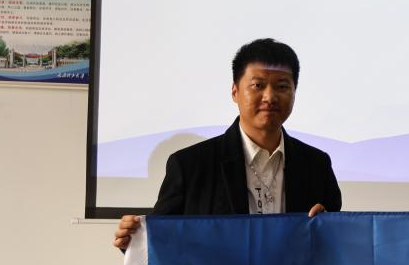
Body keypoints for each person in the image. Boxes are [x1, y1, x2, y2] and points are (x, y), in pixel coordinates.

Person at [114, 38, 342, 250]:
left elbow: (334, 248)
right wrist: (133, 241)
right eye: (258, 85)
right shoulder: (190, 166)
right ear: (235, 92)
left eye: (282, 86)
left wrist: (329, 226)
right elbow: (161, 243)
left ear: (294, 93)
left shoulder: (316, 164)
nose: (270, 97)